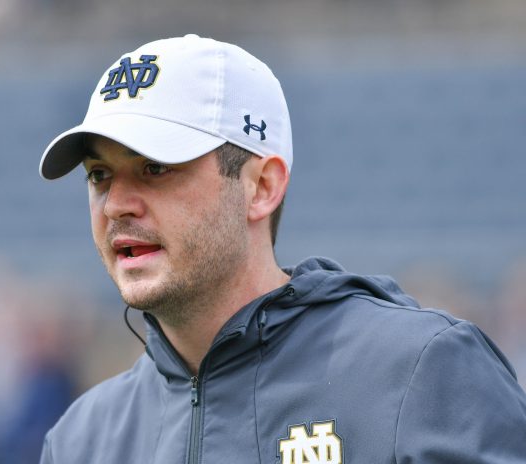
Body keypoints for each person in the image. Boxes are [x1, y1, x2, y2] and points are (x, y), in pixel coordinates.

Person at [37, 35, 526, 464]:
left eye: (156, 168)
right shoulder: (82, 439)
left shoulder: (419, 373)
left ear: (262, 187)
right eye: (99, 175)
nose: (116, 204)